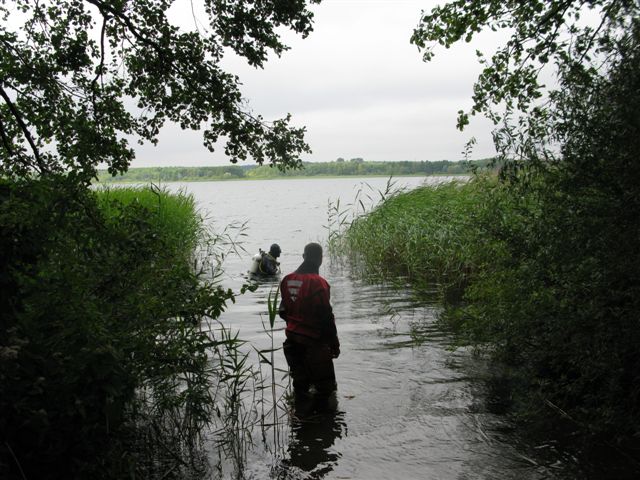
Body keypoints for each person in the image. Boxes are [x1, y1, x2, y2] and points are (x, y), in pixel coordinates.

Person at [279, 243, 340, 409]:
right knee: (326, 392)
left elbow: (282, 311)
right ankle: (324, 429)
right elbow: (326, 317)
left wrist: (296, 325)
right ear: (320, 260)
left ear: (303, 256)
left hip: (292, 344)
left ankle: (301, 428)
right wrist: (334, 343)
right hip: (315, 346)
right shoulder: (319, 283)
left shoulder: (287, 280)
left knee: (300, 389)